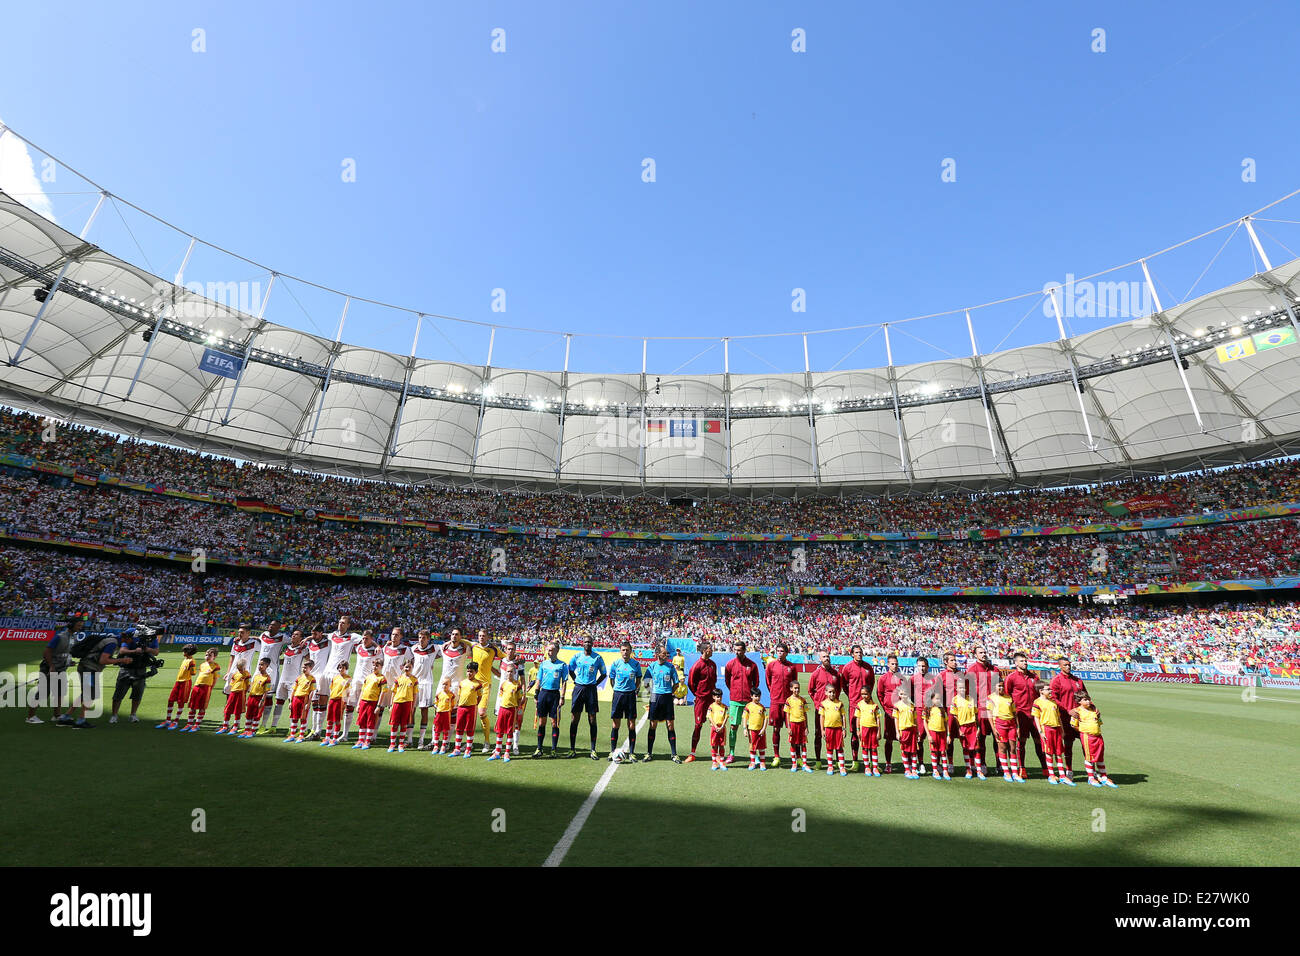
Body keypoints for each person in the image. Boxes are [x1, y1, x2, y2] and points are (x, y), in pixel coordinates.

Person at [1003, 652, 1045, 779]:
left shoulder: (1034, 677)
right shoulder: (1011, 678)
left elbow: (1040, 694)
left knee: (1039, 741)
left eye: (1025, 661)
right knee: (1021, 742)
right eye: (1022, 661)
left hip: (1034, 715)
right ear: (1016, 663)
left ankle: (1045, 768)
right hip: (1021, 715)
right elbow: (1007, 695)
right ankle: (1022, 769)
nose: (1025, 663)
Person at [108, 625, 160, 724]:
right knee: (119, 693)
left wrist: (146, 649)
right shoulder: (132, 631)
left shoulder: (152, 636)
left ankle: (133, 715)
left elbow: (156, 652)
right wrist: (134, 651)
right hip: (126, 668)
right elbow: (122, 650)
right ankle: (114, 715)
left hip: (141, 669)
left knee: (138, 694)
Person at [567, 637, 607, 759]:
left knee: (592, 719)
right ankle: (572, 749)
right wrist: (576, 680)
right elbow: (570, 669)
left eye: (589, 642)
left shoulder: (597, 658)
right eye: (585, 642)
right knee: (575, 718)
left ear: (592, 644)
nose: (587, 644)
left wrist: (595, 683)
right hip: (578, 689)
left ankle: (593, 749)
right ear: (582, 643)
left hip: (591, 690)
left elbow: (604, 673)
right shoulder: (577, 656)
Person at [1049, 658, 1088, 779]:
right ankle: (1069, 770)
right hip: (1065, 718)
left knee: (1085, 744)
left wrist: (1092, 709)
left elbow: (1086, 696)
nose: (1068, 667)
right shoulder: (1056, 680)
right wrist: (1067, 710)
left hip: (1080, 718)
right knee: (1068, 745)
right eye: (1065, 665)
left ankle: (1091, 770)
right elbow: (1053, 698)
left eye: (1069, 665)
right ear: (1060, 666)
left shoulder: (1077, 680)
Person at [642, 644, 681, 763]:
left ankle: (674, 754)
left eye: (666, 654)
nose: (666, 655)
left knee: (670, 725)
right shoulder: (652, 666)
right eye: (664, 653)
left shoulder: (670, 667)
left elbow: (676, 683)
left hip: (667, 697)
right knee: (653, 725)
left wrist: (670, 693)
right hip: (655, 697)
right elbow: (646, 682)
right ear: (658, 654)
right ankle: (649, 753)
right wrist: (652, 692)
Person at [723, 640, 760, 765]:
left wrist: (750, 696)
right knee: (733, 726)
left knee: (752, 728)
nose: (738, 652)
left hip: (749, 702)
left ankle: (754, 753)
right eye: (736, 650)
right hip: (735, 700)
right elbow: (728, 681)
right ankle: (731, 753)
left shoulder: (752, 665)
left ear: (745, 650)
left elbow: (756, 682)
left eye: (740, 650)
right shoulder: (730, 664)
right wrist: (735, 691)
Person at [529, 642, 569, 757]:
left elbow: (564, 682)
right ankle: (539, 748)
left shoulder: (562, 665)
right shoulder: (543, 664)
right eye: (548, 650)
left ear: (557, 651)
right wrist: (536, 695)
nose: (549, 652)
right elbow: (538, 680)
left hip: (555, 695)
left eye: (551, 650)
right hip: (543, 694)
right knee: (542, 722)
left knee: (554, 723)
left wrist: (562, 696)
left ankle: (553, 749)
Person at [839, 645, 875, 770]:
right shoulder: (847, 667)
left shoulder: (868, 667)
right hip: (854, 704)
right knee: (855, 733)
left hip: (867, 705)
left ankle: (871, 762)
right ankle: (855, 761)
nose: (859, 654)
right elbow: (843, 684)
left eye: (860, 652)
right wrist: (851, 696)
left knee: (869, 732)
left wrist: (867, 697)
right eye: (856, 652)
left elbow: (871, 683)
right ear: (852, 654)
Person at [27, 626, 71, 725]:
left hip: (61, 669)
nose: (80, 627)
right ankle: (30, 717)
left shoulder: (71, 637)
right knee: (42, 693)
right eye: (78, 625)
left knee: (60, 693)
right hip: (49, 669)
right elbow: (46, 652)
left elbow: (63, 654)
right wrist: (51, 666)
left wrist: (67, 662)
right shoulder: (60, 637)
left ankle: (57, 715)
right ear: (72, 626)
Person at [347, 629, 384, 743]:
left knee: (371, 711)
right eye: (363, 638)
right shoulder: (358, 648)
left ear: (372, 639)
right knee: (349, 707)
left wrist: (376, 645)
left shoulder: (377, 651)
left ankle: (372, 735)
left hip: (369, 684)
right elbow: (353, 636)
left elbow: (381, 664)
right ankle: (345, 734)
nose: (364, 640)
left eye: (367, 638)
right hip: (355, 681)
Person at [808, 650, 843, 770]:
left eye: (827, 656)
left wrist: (835, 702)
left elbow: (838, 689)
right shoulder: (815, 674)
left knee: (836, 734)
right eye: (824, 657)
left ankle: (838, 761)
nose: (826, 658)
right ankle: (818, 760)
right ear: (819, 659)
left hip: (834, 710)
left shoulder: (836, 674)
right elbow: (810, 690)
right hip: (821, 710)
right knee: (819, 734)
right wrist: (817, 703)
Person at [1072, 692, 1117, 787]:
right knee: (1089, 758)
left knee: (1100, 757)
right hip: (1087, 737)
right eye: (1085, 700)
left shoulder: (1094, 710)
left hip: (1098, 736)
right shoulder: (1077, 711)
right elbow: (1073, 725)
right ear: (1079, 701)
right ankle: (1091, 778)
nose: (1088, 701)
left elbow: (1099, 722)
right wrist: (1083, 730)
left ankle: (1104, 777)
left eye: (1088, 699)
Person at [684, 641, 719, 763]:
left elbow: (714, 681)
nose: (712, 650)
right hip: (701, 700)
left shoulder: (713, 664)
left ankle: (716, 753)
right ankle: (692, 753)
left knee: (716, 725)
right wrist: (698, 695)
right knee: (698, 725)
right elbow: (691, 683)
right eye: (710, 649)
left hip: (712, 700)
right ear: (704, 651)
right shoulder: (697, 665)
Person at [607, 642, 642, 761]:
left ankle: (632, 752)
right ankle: (612, 751)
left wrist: (634, 689)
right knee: (616, 724)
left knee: (631, 724)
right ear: (620, 651)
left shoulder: (636, 664)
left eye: (627, 650)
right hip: (618, 695)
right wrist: (617, 689)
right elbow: (611, 679)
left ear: (631, 651)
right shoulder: (616, 664)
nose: (625, 652)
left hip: (630, 696)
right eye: (623, 650)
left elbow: (638, 679)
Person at [1032, 681, 1072, 786]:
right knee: (1049, 753)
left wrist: (1062, 730)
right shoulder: (1037, 702)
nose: (1051, 690)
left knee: (1059, 753)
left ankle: (1062, 776)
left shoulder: (1053, 702)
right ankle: (1051, 775)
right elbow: (1036, 718)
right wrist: (1040, 731)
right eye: (1048, 689)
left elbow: (1058, 717)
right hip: (1046, 729)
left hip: (1057, 729)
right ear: (1041, 691)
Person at [764, 642, 797, 767]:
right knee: (776, 729)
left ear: (786, 653)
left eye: (782, 651)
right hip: (776, 702)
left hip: (789, 703)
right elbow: (768, 682)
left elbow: (794, 682)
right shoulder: (771, 665)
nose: (779, 653)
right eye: (778, 651)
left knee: (792, 729)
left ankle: (795, 756)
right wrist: (774, 693)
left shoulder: (792, 667)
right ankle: (776, 756)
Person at [269, 628, 307, 734]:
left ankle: (292, 727)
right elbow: (284, 660)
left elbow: (309, 661)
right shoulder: (286, 647)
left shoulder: (303, 649)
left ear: (301, 638)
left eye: (296, 635)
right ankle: (273, 726)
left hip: (294, 681)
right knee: (278, 702)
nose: (293, 636)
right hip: (283, 679)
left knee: (293, 705)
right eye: (293, 634)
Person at [471, 628, 502, 753]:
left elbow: (506, 657)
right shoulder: (474, 646)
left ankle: (487, 741)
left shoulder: (493, 649)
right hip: (472, 685)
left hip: (485, 686)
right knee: (470, 714)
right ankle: (469, 741)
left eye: (484, 636)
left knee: (482, 712)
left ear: (488, 637)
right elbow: (461, 640)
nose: (481, 637)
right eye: (479, 636)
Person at [986, 678, 1023, 783]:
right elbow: (989, 715)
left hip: (1011, 724)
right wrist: (993, 729)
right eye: (999, 686)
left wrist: (1018, 727)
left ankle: (1015, 773)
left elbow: (1015, 714)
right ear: (994, 686)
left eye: (1002, 686)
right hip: (999, 724)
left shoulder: (1009, 698)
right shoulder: (990, 698)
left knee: (1012, 748)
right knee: (1002, 748)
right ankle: (1006, 772)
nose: (1001, 688)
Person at [252, 623, 285, 732]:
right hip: (259, 670)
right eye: (270, 625)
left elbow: (294, 644)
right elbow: (259, 639)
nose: (270, 626)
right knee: (255, 696)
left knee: (268, 697)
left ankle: (263, 725)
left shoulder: (282, 637)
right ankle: (252, 725)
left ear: (278, 628)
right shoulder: (264, 635)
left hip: (272, 672)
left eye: (273, 625)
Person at [410, 630, 440, 750]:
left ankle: (421, 740)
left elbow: (445, 651)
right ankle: (409, 739)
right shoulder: (413, 648)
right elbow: (410, 660)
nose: (421, 640)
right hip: (414, 683)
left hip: (426, 684)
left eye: (423, 638)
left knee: (424, 711)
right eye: (419, 637)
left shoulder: (434, 648)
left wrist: (432, 661)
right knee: (411, 711)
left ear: (428, 639)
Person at [157, 643, 197, 730]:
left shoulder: (191, 661)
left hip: (185, 683)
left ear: (188, 652)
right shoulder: (185, 659)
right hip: (178, 682)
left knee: (180, 702)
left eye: (184, 651)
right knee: (170, 700)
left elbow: (193, 673)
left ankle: (175, 721)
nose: (183, 652)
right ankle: (168, 720)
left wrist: (190, 669)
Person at [182, 648, 221, 733]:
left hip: (206, 688)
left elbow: (215, 679)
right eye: (206, 655)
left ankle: (197, 725)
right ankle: (189, 724)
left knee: (202, 707)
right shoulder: (202, 665)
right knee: (192, 706)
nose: (207, 657)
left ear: (214, 657)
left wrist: (210, 688)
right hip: (197, 687)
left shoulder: (216, 666)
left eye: (210, 655)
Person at [876, 654, 904, 773]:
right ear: (888, 665)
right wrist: (885, 707)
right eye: (892, 663)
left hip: (901, 712)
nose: (895, 666)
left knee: (903, 738)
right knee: (889, 739)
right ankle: (888, 763)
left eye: (896, 663)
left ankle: (907, 763)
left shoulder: (902, 678)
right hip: (889, 712)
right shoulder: (883, 678)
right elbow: (880, 694)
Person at [951, 684, 985, 779]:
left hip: (973, 726)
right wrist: (959, 729)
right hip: (963, 727)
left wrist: (978, 727)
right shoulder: (955, 700)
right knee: (966, 748)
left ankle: (979, 771)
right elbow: (955, 716)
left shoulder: (971, 699)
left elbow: (976, 713)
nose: (962, 689)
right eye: (960, 688)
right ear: (956, 689)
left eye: (964, 688)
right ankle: (968, 770)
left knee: (976, 748)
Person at [488, 668, 522, 762]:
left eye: (511, 671)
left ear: (514, 673)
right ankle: (497, 752)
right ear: (506, 673)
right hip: (502, 709)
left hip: (512, 710)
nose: (510, 673)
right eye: (508, 671)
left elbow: (520, 699)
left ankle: (507, 753)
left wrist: (517, 708)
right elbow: (501, 696)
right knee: (499, 731)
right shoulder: (503, 684)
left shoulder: (517, 685)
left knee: (510, 731)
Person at [353, 659, 387, 751]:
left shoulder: (382, 678)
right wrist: (358, 704)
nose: (374, 667)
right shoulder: (368, 677)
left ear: (381, 667)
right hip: (364, 701)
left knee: (370, 721)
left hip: (373, 702)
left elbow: (383, 693)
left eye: (377, 665)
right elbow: (363, 690)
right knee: (362, 721)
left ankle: (367, 741)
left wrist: (378, 706)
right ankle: (360, 740)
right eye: (374, 665)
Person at [452, 661, 482, 757]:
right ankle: (457, 749)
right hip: (461, 708)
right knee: (459, 728)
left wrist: (475, 704)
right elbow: (460, 695)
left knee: (469, 729)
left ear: (476, 672)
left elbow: (480, 696)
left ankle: (468, 749)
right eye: (468, 671)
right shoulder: (462, 682)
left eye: (471, 671)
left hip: (471, 708)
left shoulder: (478, 684)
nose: (469, 673)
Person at [783, 679, 814, 773]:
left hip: (801, 724)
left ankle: (804, 764)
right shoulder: (788, 700)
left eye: (798, 688)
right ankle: (794, 763)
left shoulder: (803, 700)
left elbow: (805, 714)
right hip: (793, 724)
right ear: (791, 689)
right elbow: (787, 715)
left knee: (803, 744)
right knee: (793, 743)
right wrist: (788, 727)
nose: (797, 690)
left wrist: (806, 727)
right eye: (795, 688)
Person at [388, 659, 418, 753]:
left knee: (404, 724)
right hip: (397, 702)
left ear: (412, 668)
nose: (407, 668)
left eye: (409, 667)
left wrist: (413, 707)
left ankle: (401, 744)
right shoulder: (398, 678)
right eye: (406, 666)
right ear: (402, 667)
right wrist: (391, 704)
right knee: (394, 724)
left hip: (408, 703)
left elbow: (415, 694)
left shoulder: (414, 679)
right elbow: (393, 692)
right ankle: (392, 744)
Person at [285, 660, 317, 743]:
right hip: (296, 698)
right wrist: (291, 701)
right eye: (303, 667)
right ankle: (292, 735)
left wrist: (308, 703)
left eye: (305, 667)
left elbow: (312, 692)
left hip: (304, 699)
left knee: (303, 718)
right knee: (294, 717)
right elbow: (294, 690)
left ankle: (301, 736)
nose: (303, 669)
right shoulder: (299, 678)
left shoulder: (312, 679)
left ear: (311, 668)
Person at [240, 659, 273, 738]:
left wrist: (262, 700)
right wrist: (248, 699)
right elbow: (252, 688)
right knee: (248, 714)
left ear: (267, 666)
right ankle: (247, 730)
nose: (260, 666)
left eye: (262, 665)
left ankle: (253, 731)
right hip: (252, 697)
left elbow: (266, 691)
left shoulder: (267, 679)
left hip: (259, 698)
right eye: (259, 664)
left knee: (256, 715)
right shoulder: (256, 676)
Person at [819, 689, 848, 776]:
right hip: (828, 729)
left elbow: (843, 716)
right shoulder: (823, 704)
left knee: (840, 748)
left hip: (838, 729)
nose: (832, 694)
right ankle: (830, 766)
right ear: (826, 693)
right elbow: (822, 717)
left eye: (834, 692)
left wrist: (844, 728)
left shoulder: (839, 703)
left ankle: (842, 767)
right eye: (830, 692)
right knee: (829, 748)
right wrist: (822, 730)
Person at [217, 660, 250, 735]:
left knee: (237, 710)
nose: (240, 670)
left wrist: (245, 693)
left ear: (245, 667)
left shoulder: (247, 674)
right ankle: (225, 726)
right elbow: (232, 684)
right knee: (228, 709)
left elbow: (248, 685)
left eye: (242, 668)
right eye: (239, 669)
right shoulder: (235, 674)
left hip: (241, 693)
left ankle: (235, 727)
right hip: (233, 693)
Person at [894, 688, 920, 779]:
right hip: (903, 731)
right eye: (901, 694)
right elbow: (896, 719)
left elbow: (915, 720)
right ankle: (907, 769)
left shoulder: (912, 705)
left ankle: (914, 769)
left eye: (905, 694)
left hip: (912, 730)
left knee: (913, 751)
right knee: (904, 750)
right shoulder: (897, 706)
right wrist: (897, 732)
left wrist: (917, 732)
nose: (903, 696)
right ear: (899, 695)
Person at [855, 692, 883, 777]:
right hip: (864, 729)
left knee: (874, 749)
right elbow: (858, 718)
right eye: (862, 694)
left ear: (870, 694)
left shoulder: (875, 706)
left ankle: (875, 767)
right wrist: (858, 730)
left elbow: (878, 719)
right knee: (865, 748)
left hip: (873, 729)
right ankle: (867, 767)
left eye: (866, 694)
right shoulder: (859, 705)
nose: (864, 696)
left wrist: (879, 731)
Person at [324, 661, 351, 747]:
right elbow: (331, 689)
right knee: (330, 720)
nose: (341, 669)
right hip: (332, 699)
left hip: (340, 700)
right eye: (339, 668)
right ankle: (327, 738)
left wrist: (345, 702)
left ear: (346, 669)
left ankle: (335, 739)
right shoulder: (335, 678)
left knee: (337, 720)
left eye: (342, 668)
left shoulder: (348, 678)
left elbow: (347, 691)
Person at [742, 689, 769, 771]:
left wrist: (764, 729)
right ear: (751, 696)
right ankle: (752, 762)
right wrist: (745, 729)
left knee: (761, 747)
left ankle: (762, 762)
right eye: (755, 696)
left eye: (759, 696)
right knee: (752, 747)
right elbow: (744, 718)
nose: (757, 698)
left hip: (761, 731)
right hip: (752, 730)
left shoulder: (762, 707)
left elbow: (766, 718)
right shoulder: (748, 706)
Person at [924, 699, 951, 781]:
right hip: (933, 732)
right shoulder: (928, 709)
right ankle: (935, 770)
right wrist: (928, 735)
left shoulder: (942, 709)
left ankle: (945, 771)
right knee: (934, 751)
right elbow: (925, 722)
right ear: (931, 699)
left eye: (939, 698)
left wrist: (948, 735)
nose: (938, 700)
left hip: (942, 733)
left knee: (943, 751)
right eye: (936, 698)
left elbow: (946, 723)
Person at [706, 689, 729, 771]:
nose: (719, 699)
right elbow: (709, 717)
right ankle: (714, 762)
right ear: (713, 697)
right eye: (717, 697)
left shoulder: (725, 707)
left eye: (720, 697)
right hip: (714, 728)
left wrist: (722, 726)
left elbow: (726, 717)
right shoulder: (711, 707)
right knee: (714, 745)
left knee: (721, 745)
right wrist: (715, 726)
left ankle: (722, 762)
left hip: (722, 728)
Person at [431, 677, 454, 755]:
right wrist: (437, 708)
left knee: (445, 730)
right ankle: (436, 746)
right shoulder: (439, 694)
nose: (444, 686)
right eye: (443, 684)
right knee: (437, 730)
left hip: (446, 714)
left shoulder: (451, 695)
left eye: (446, 684)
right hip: (439, 714)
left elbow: (452, 705)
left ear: (450, 685)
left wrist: (449, 710)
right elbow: (435, 703)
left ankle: (443, 746)